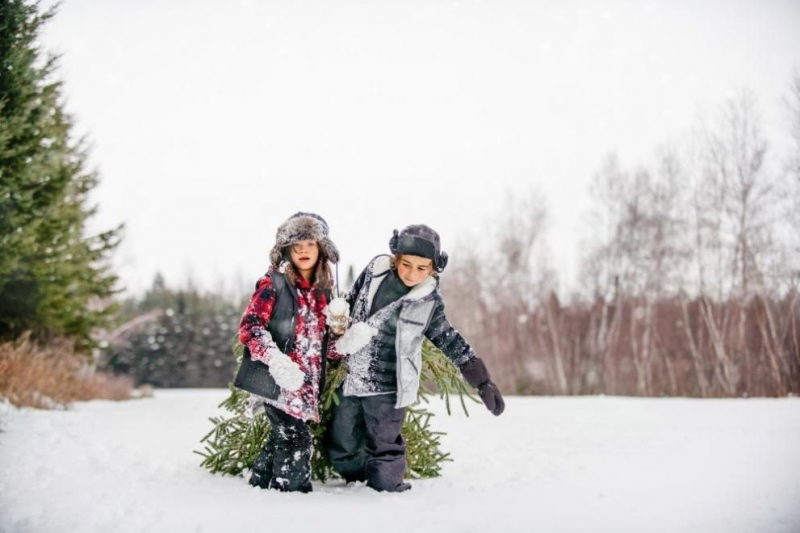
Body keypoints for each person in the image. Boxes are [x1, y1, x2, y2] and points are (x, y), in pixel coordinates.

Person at [326, 224, 505, 493]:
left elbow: (450, 340)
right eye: (406, 264)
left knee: (385, 445)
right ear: (396, 258)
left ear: (433, 269)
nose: (412, 273)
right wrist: (337, 320)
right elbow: (350, 300)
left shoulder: (428, 303)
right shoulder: (375, 271)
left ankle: (387, 491)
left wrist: (482, 381)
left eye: (422, 268)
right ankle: (356, 483)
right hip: (352, 378)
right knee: (342, 440)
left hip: (389, 387)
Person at [233, 212, 340, 493]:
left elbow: (324, 346)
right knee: (296, 439)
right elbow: (250, 328)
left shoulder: (325, 293)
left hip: (307, 384)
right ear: (286, 250)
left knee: (282, 436)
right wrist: (276, 360)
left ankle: (260, 482)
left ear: (322, 249)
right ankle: (292, 495)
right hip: (277, 381)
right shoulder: (274, 284)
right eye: (297, 245)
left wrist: (343, 341)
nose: (304, 250)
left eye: (310, 244)